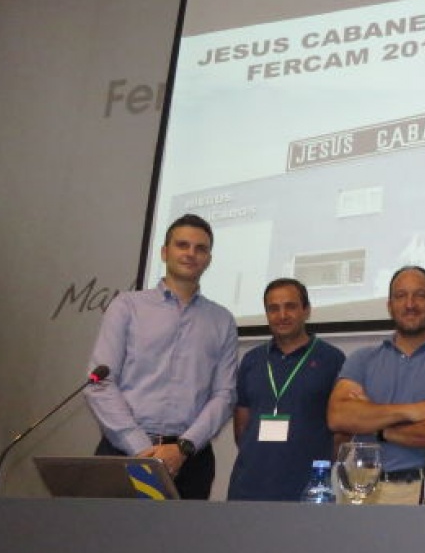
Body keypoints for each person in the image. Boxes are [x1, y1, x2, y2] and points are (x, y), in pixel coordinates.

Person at [85, 213, 238, 499]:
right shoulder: (126, 306)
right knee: (107, 541)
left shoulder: (222, 321)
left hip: (190, 460)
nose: (191, 253)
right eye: (182, 245)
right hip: (124, 452)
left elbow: (225, 395)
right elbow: (100, 382)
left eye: (200, 248)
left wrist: (182, 448)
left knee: (180, 543)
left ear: (209, 259)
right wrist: (141, 448)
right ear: (165, 252)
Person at [327, 266, 425, 505]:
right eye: (401, 296)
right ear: (389, 305)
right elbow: (338, 416)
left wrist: (376, 429)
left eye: (420, 295)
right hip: (362, 489)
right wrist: (410, 412)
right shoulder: (362, 359)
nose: (410, 304)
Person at [227, 278, 346, 501]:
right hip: (248, 487)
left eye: (290, 307)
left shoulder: (332, 359)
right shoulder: (252, 360)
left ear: (306, 310)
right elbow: (242, 427)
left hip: (307, 490)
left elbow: (342, 432)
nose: (282, 315)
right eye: (274, 309)